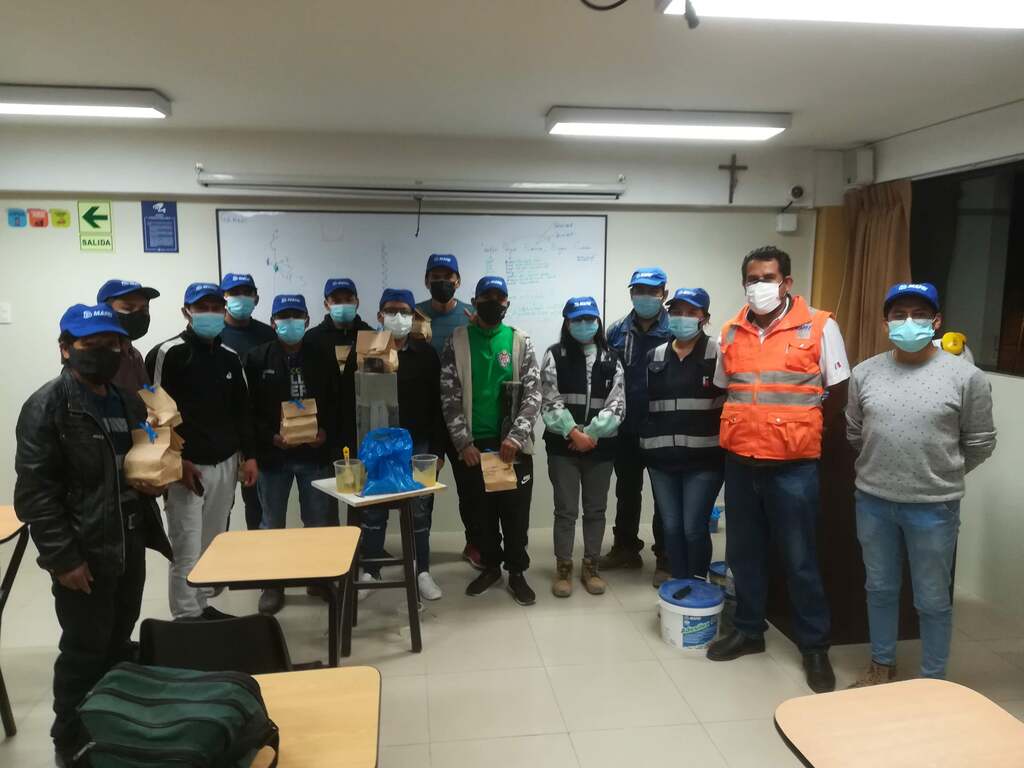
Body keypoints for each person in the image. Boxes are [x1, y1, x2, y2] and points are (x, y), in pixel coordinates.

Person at [15, 303, 172, 767]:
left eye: (112, 344)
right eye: (91, 344)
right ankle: (69, 740)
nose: (105, 352)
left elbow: (137, 463)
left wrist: (160, 478)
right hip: (85, 550)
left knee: (118, 642)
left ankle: (112, 725)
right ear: (66, 349)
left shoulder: (125, 401)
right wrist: (63, 560)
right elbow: (36, 495)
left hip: (128, 541)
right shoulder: (47, 407)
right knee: (84, 650)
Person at [706, 245, 848, 694]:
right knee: (743, 553)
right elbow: (726, 387)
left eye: (768, 278)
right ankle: (749, 630)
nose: (759, 286)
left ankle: (814, 647)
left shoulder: (820, 325)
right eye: (752, 279)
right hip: (741, 461)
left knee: (800, 558)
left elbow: (839, 392)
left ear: (786, 282)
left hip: (793, 466)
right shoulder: (730, 330)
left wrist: (803, 431)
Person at [846, 282, 996, 685]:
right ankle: (881, 667)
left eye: (919, 314)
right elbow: (855, 432)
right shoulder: (864, 373)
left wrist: (939, 472)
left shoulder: (966, 377)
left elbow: (981, 442)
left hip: (934, 506)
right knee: (879, 588)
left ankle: (932, 681)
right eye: (899, 315)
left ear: (936, 321)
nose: (908, 322)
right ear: (886, 323)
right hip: (873, 501)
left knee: (931, 599)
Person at [146, 282, 258, 621]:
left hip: (226, 463)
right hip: (186, 469)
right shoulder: (168, 353)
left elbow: (243, 411)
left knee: (212, 544)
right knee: (186, 547)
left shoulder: (230, 358)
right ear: (186, 312)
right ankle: (186, 618)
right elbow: (153, 413)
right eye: (201, 307)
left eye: (215, 307)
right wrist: (175, 463)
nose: (210, 313)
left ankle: (201, 606)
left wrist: (249, 455)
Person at [441, 275, 542, 605]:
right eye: (487, 297)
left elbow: (533, 394)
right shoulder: (457, 340)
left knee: (515, 515)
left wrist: (516, 436)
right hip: (474, 447)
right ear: (475, 301)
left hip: (511, 447)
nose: (493, 303)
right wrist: (463, 443)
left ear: (507, 303)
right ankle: (490, 567)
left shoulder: (519, 341)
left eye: (499, 298)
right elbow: (449, 395)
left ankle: (517, 572)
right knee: (480, 515)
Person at [244, 294, 338, 615]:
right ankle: (273, 584)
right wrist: (269, 437)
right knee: (272, 523)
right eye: (283, 317)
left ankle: (318, 578)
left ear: (307, 321)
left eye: (297, 316)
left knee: (318, 521)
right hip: (274, 456)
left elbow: (336, 401)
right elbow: (248, 408)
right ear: (273, 323)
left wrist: (325, 432)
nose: (291, 322)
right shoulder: (257, 358)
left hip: (314, 455)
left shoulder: (322, 356)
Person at [358, 289, 448, 601]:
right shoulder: (366, 351)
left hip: (418, 445)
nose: (398, 317)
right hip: (376, 445)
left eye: (405, 311)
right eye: (391, 310)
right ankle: (370, 570)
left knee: (419, 511)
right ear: (379, 315)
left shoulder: (426, 354)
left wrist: (438, 450)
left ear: (413, 316)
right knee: (373, 511)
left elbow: (439, 405)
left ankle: (421, 570)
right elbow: (351, 400)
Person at [541, 296, 625, 597]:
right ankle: (563, 568)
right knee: (565, 510)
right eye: (577, 319)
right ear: (567, 323)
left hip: (600, 448)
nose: (584, 324)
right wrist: (572, 432)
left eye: (590, 319)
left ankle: (591, 567)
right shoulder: (554, 355)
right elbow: (549, 399)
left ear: (598, 322)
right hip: (562, 448)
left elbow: (617, 403)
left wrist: (591, 434)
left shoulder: (612, 358)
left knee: (596, 509)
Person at [641, 288, 724, 582]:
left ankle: (697, 585)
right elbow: (644, 405)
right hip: (662, 460)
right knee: (672, 527)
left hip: (704, 460)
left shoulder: (718, 354)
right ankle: (679, 584)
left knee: (693, 528)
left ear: (704, 318)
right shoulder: (655, 356)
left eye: (691, 312)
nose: (682, 318)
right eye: (676, 312)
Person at [602, 267, 672, 586]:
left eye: (652, 291)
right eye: (639, 290)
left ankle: (665, 557)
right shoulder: (616, 331)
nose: (645, 296)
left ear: (663, 294)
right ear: (631, 293)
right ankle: (626, 549)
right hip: (626, 429)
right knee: (627, 491)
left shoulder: (674, 331)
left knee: (663, 496)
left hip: (662, 429)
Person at [414, 253, 481, 569]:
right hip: (425, 419)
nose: (442, 282)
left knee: (471, 489)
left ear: (458, 281)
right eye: (436, 276)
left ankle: (474, 543)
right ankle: (419, 551)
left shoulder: (471, 316)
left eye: (448, 276)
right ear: (427, 280)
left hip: (462, 418)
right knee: (421, 492)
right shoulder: (413, 314)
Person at [218, 272, 276, 531]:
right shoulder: (213, 333)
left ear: (256, 298)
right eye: (234, 293)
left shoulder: (267, 334)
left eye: (246, 293)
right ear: (223, 298)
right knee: (220, 505)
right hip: (222, 431)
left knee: (256, 503)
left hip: (257, 432)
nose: (241, 298)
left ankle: (258, 553)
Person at [304, 277, 374, 457]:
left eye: (348, 300)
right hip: (323, 433)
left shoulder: (371, 336)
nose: (343, 305)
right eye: (336, 300)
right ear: (326, 304)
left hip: (363, 429)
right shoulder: (311, 339)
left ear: (357, 302)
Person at [96, 278, 161, 393]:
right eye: (128, 308)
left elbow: (146, 395)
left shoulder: (134, 355)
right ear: (104, 311)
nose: (138, 315)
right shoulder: (93, 358)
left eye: (144, 309)